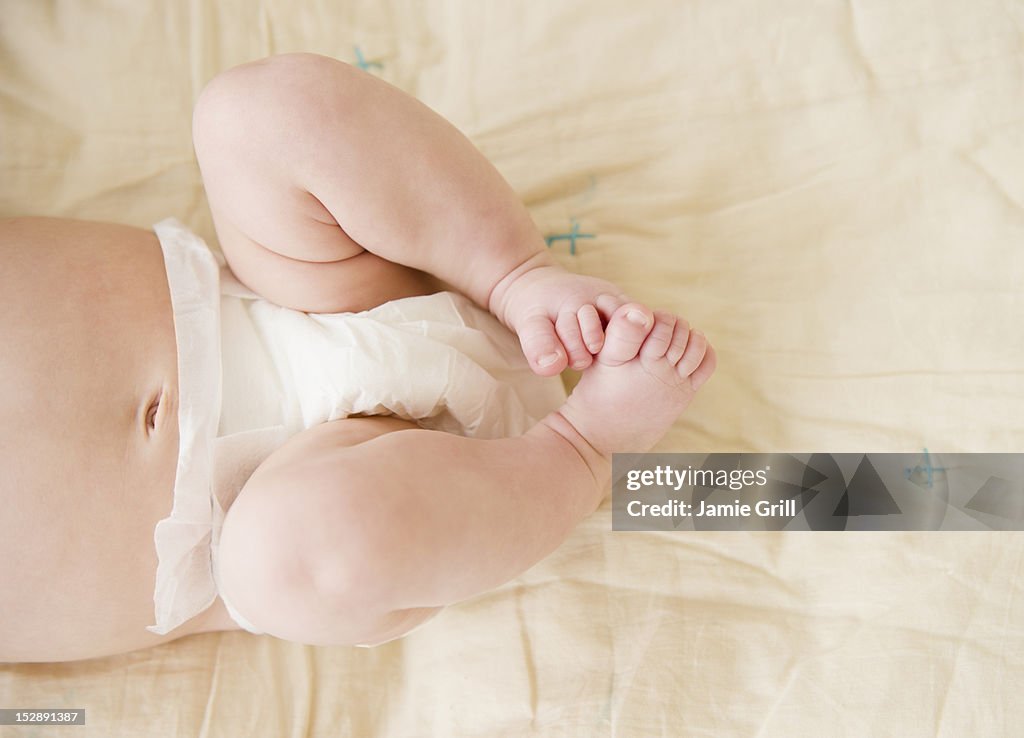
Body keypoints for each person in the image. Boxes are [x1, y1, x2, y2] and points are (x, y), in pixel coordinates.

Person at [0, 53, 715, 663]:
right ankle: (585, 448)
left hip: (302, 290)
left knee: (256, 112)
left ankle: (514, 274)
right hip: (281, 508)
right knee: (295, 555)